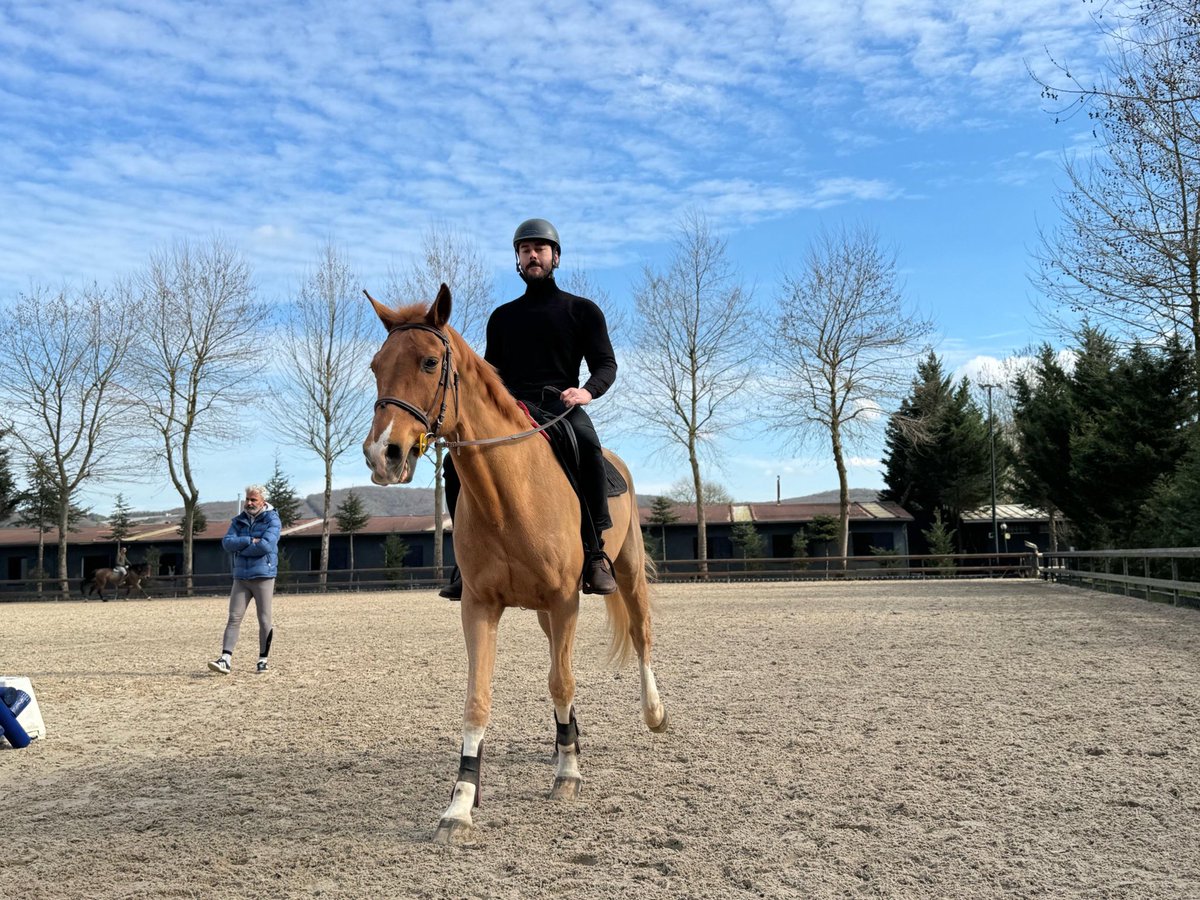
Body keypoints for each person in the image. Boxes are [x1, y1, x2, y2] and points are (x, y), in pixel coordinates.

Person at [440, 217, 618, 600]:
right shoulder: (502, 318)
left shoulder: (582, 311)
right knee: (454, 461)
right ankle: (464, 560)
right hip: (511, 409)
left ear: (555, 257)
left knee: (586, 444)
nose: (532, 255)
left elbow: (606, 364)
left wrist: (586, 392)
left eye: (540, 249)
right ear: (518, 260)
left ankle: (595, 551)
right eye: (525, 250)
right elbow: (491, 375)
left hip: (559, 405)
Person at [207, 485, 281, 675]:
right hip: (241, 576)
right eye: (248, 499)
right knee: (233, 617)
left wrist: (240, 546)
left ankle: (263, 659)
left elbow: (265, 546)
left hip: (263, 576)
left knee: (264, 619)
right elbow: (227, 543)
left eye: (253, 500)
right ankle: (225, 659)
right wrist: (249, 540)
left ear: (262, 501)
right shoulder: (238, 521)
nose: (249, 503)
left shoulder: (273, 519)